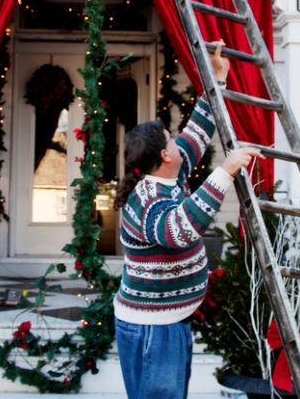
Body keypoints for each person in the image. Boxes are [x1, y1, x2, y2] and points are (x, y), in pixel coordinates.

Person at [112, 40, 259, 399]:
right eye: (170, 139)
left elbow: (197, 130)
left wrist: (217, 79)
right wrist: (224, 172)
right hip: (152, 330)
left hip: (169, 322)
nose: (178, 140)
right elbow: (179, 229)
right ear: (165, 154)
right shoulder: (145, 201)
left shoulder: (169, 175)